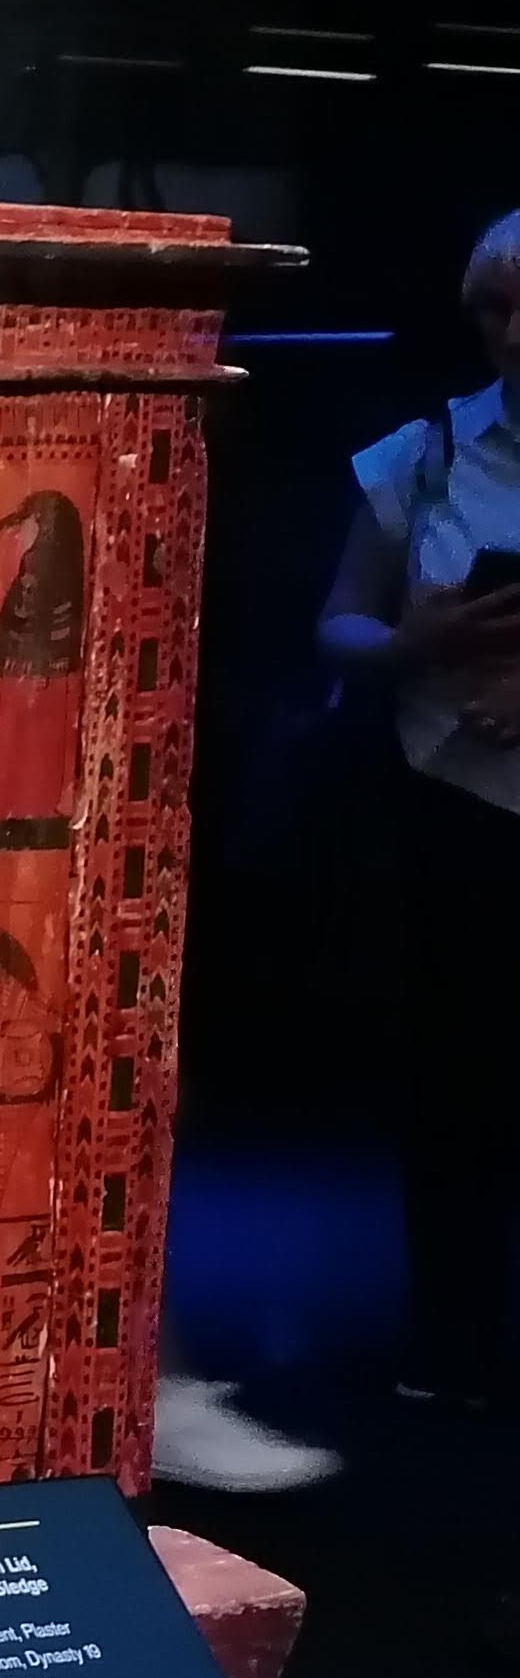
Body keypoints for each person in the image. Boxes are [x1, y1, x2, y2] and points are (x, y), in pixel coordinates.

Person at [319, 210, 520, 1453]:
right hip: (453, 807)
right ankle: (454, 1343)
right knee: (455, 1088)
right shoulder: (428, 452)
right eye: (495, 307)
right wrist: (412, 643)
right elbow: (336, 622)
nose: (514, 331)